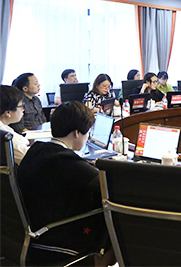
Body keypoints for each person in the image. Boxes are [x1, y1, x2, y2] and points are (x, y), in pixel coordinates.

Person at [17, 101, 111, 264]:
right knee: (113, 210)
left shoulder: (37, 150)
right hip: (57, 236)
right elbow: (107, 184)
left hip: (34, 232)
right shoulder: (64, 160)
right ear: (76, 133)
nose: (88, 138)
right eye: (87, 133)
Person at [0, 85, 30, 164]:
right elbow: (27, 157)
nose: (23, 109)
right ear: (8, 112)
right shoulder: (4, 133)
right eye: (21, 106)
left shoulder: (4, 127)